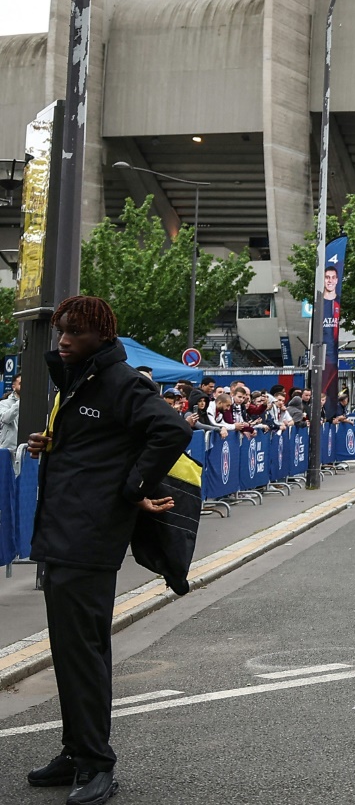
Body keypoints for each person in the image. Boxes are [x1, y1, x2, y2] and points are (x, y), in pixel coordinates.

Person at [26, 297, 191, 804]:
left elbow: (174, 429)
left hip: (88, 538)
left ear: (102, 336)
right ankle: (76, 751)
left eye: (74, 332)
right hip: (65, 534)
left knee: (84, 656)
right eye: (60, 331)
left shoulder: (121, 382)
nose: (63, 340)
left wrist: (132, 485)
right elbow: (96, 446)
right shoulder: (80, 381)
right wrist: (50, 446)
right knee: (71, 653)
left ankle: (97, 764)